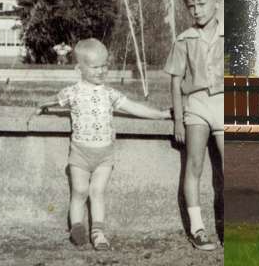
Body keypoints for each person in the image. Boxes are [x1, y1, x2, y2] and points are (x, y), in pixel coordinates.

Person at [37, 38, 170, 250]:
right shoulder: (73, 92)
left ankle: (98, 233)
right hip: (80, 153)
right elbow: (54, 100)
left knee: (97, 192)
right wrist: (41, 106)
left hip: (105, 155)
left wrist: (161, 115)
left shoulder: (110, 93)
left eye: (104, 65)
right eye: (94, 67)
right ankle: (77, 226)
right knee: (80, 191)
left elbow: (133, 107)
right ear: (79, 68)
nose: (101, 71)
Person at [164, 0, 223, 251]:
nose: (197, 10)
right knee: (194, 165)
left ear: (216, 1)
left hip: (223, 105)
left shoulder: (228, 36)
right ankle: (198, 227)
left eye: (201, 3)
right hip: (196, 106)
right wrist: (178, 119)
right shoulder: (184, 40)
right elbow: (175, 81)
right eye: (191, 6)